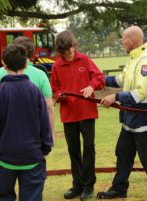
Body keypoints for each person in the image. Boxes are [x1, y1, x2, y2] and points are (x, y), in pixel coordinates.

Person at [98, 25, 147, 201]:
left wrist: (115, 96)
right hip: (130, 118)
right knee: (123, 152)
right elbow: (121, 79)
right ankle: (119, 189)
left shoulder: (144, 61)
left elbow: (141, 92)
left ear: (132, 40)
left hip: (142, 117)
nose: (122, 42)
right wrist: (99, 79)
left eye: (124, 39)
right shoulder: (133, 59)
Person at [0, 44, 53, 201]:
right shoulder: (35, 92)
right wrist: (46, 148)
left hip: (3, 158)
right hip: (31, 158)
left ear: (4, 64)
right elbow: (44, 123)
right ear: (26, 64)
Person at [50, 30, 105, 201]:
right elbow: (54, 88)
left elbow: (99, 77)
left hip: (87, 112)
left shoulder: (85, 59)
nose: (71, 52)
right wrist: (59, 95)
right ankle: (77, 185)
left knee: (89, 148)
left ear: (74, 45)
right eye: (67, 50)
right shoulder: (56, 66)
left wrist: (91, 86)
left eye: (72, 47)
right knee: (73, 150)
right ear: (61, 51)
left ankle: (88, 186)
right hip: (68, 114)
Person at [0, 36, 55, 142]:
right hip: (34, 134)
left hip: (6, 134)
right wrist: (51, 133)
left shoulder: (0, 72)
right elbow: (49, 107)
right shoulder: (41, 74)